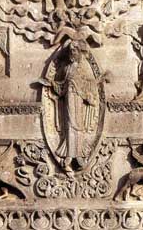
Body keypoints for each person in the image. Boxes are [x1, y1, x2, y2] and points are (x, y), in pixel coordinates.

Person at [39, 41, 99, 172]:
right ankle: (70, 155)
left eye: (75, 51)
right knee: (70, 125)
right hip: (68, 100)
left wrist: (86, 93)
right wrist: (51, 84)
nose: (73, 53)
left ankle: (78, 155)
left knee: (79, 126)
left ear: (78, 52)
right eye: (71, 51)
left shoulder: (82, 68)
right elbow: (61, 86)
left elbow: (90, 83)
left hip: (79, 101)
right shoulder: (66, 69)